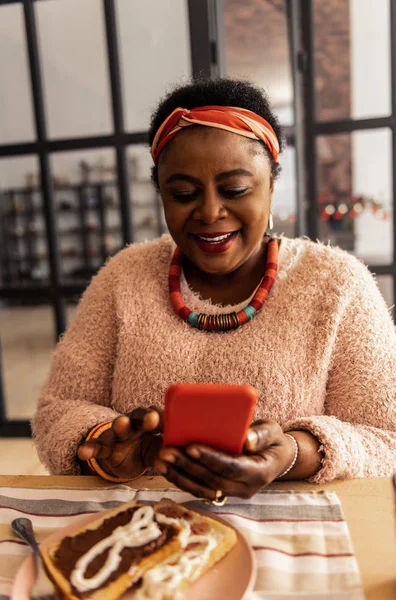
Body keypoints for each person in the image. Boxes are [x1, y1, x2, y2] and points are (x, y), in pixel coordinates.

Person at [32, 78, 396, 503]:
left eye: (235, 190)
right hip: (139, 534)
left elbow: (386, 436)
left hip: (293, 544)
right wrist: (106, 447)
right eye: (183, 193)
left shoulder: (337, 284)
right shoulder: (124, 278)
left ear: (272, 185)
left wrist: (295, 453)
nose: (209, 212)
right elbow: (58, 410)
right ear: (162, 195)